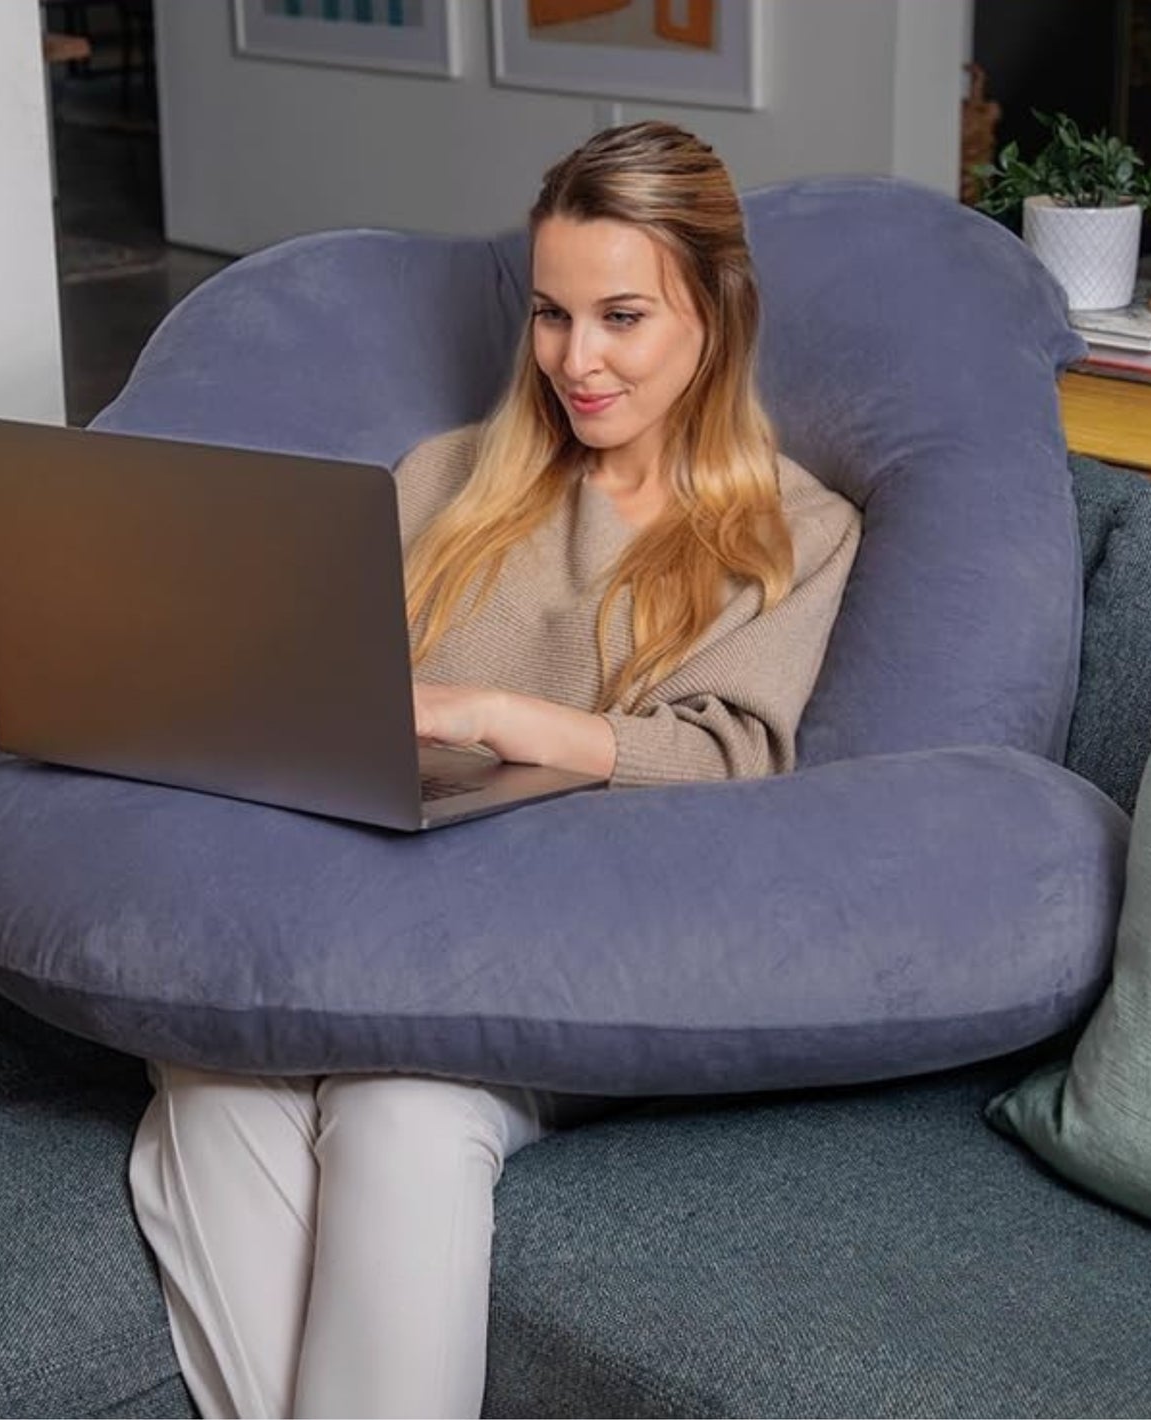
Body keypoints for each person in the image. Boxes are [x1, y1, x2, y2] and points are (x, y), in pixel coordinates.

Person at [128, 120, 861, 1420]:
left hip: (564, 955)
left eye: (622, 317)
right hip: (356, 915)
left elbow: (731, 759)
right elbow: (320, 687)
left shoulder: (788, 533)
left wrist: (506, 717)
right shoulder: (445, 481)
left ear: (717, 313)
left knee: (402, 1106)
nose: (578, 361)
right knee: (213, 1065)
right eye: (551, 315)